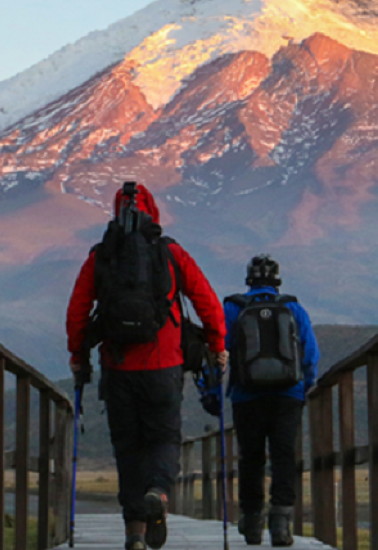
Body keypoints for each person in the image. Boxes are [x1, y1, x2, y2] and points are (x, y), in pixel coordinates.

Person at [67, 182, 227, 550]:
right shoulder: (169, 252)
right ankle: (159, 490)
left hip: (118, 366)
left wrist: (79, 357)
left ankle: (135, 532)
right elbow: (207, 302)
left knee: (128, 448)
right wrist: (217, 346)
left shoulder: (101, 256)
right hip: (164, 364)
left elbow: (76, 313)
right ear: (152, 211)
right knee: (164, 438)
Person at [224, 254, 319, 547]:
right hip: (287, 395)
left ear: (249, 280)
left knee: (250, 457)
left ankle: (252, 523)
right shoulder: (292, 307)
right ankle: (281, 524)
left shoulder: (233, 308)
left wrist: (213, 394)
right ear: (277, 281)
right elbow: (310, 353)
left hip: (246, 395)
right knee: (284, 456)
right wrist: (305, 385)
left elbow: (218, 350)